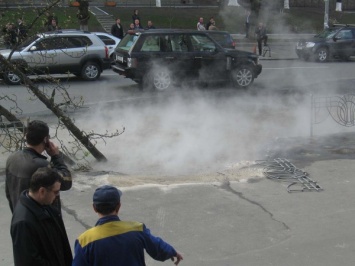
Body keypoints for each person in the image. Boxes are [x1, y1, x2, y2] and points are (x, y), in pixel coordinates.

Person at [72, 185, 184, 266]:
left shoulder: (84, 240)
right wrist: (172, 252)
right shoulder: (136, 228)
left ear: (94, 208)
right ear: (119, 206)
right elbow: (157, 248)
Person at [5, 120, 72, 213]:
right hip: (40, 221)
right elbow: (66, 182)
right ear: (45, 140)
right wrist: (56, 157)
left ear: (26, 136)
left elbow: (8, 193)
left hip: (19, 215)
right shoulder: (42, 165)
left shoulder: (12, 158)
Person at [10, 167, 73, 266]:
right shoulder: (23, 222)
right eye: (56, 192)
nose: (57, 196)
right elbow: (28, 261)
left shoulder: (44, 205)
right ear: (42, 191)